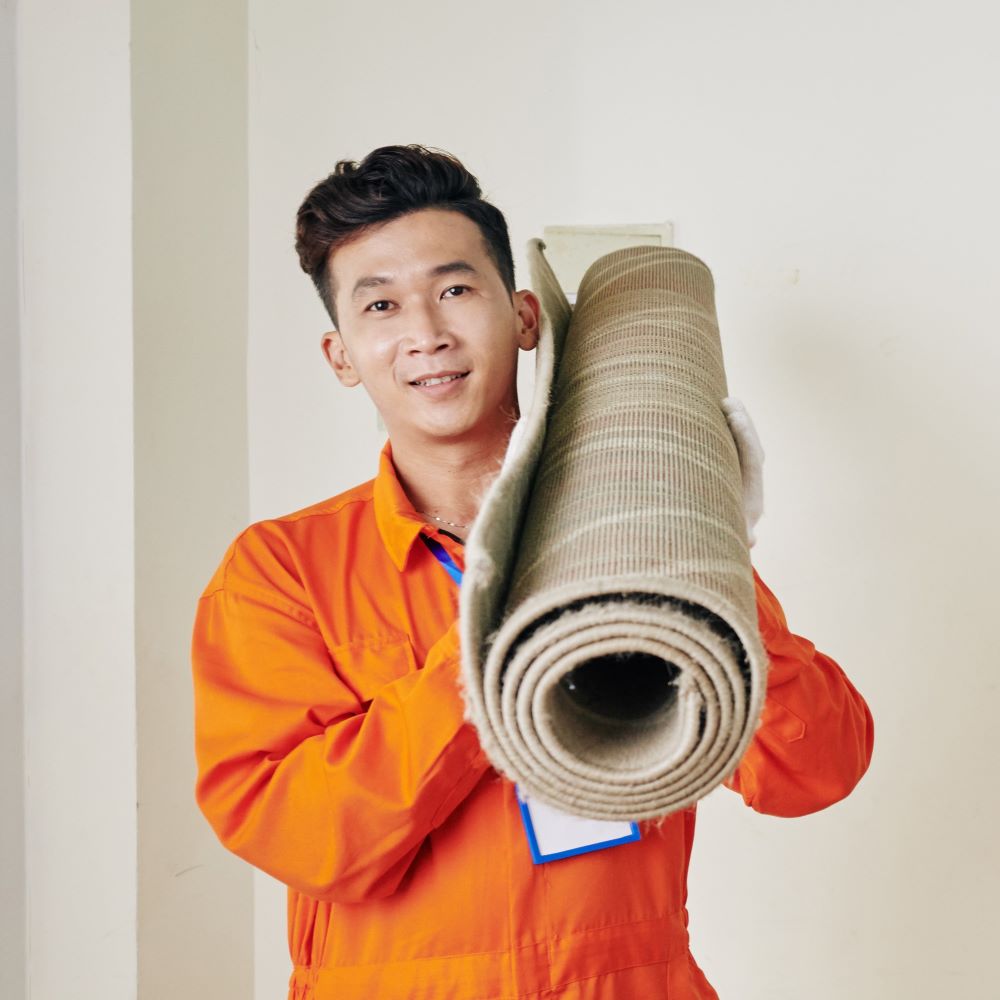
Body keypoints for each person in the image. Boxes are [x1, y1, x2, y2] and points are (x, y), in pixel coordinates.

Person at [191, 144, 874, 999]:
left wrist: (708, 550)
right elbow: (302, 835)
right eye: (381, 305)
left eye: (454, 289)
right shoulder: (282, 571)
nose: (426, 334)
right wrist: (502, 637)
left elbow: (818, 772)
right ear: (341, 355)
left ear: (521, 316)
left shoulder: (633, 535)